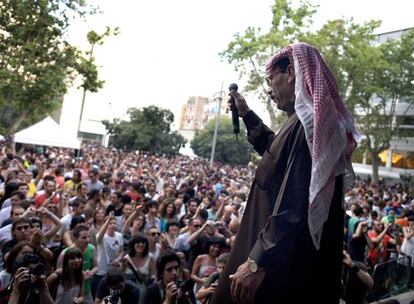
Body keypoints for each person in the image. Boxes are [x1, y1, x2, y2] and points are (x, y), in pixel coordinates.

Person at [211, 43, 359, 304]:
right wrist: (246, 114)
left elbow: (296, 205)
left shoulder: (309, 127)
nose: (268, 90)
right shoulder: (297, 123)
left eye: (270, 80)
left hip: (278, 271)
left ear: (290, 72)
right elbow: (274, 153)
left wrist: (258, 260)